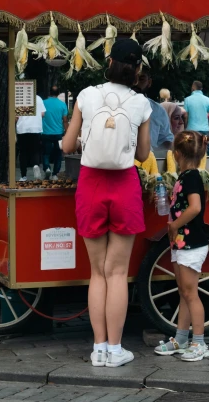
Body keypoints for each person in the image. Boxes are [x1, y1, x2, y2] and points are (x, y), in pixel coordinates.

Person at [62, 38, 151, 368]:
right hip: (124, 187)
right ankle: (116, 349)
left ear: (108, 61)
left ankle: (98, 348)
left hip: (90, 185)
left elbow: (68, 144)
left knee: (97, 273)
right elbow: (142, 154)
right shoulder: (142, 103)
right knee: (117, 273)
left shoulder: (86, 96)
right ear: (137, 68)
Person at [154, 131, 209, 361]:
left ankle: (199, 342)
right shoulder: (186, 176)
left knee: (190, 293)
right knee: (184, 292)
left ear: (177, 154)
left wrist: (175, 224)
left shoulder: (191, 177)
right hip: (182, 243)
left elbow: (195, 207)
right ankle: (181, 338)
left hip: (191, 243)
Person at [136, 70, 173, 151]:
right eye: (132, 78)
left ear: (149, 82)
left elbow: (165, 139)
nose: (136, 82)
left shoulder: (158, 110)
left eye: (141, 79)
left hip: (148, 161)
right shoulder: (113, 106)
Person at [16, 92, 46, 181]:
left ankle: (23, 176)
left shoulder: (20, 98)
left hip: (22, 128)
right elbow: (43, 114)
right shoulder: (38, 98)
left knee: (23, 152)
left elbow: (16, 116)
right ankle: (36, 165)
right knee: (35, 150)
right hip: (35, 127)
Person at [42, 86, 69, 180]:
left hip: (45, 133)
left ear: (49, 92)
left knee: (46, 153)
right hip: (59, 133)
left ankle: (47, 168)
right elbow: (65, 120)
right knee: (58, 154)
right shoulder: (62, 104)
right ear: (58, 93)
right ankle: (55, 174)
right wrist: (67, 132)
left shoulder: (43, 103)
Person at [184, 81, 209, 157]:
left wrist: (185, 127)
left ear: (193, 87)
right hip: (204, 130)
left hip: (191, 130)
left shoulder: (187, 100)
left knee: (190, 147)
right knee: (205, 145)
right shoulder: (208, 99)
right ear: (201, 88)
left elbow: (185, 116)